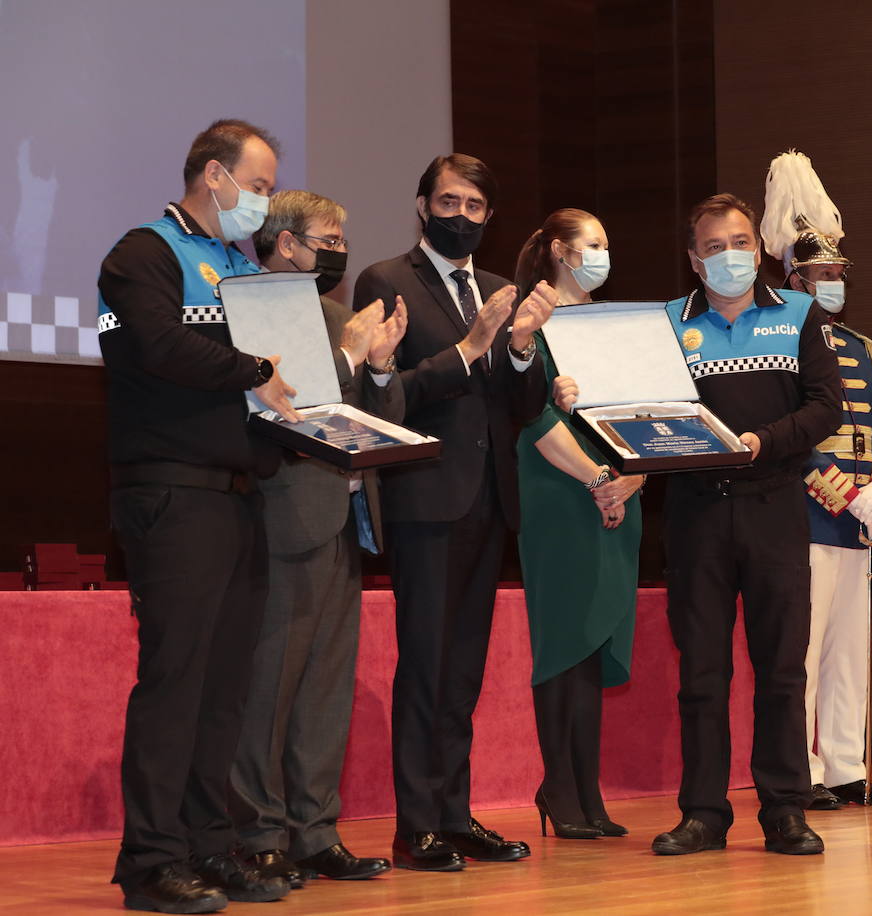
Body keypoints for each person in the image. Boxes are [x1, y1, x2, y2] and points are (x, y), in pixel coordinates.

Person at [97, 119, 298, 912]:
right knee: (175, 683)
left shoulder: (236, 263)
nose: (265, 201)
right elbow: (157, 346)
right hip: (172, 494)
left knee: (223, 689)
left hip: (237, 494)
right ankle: (150, 862)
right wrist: (256, 369)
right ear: (212, 176)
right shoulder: (143, 253)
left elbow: (282, 380)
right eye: (257, 185)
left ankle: (209, 847)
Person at [352, 153, 558, 871]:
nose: (461, 216)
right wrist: (470, 351)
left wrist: (524, 349)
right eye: (448, 202)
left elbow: (523, 410)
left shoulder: (502, 290)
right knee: (427, 664)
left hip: (489, 502)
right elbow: (385, 395)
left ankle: (454, 813)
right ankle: (416, 827)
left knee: (464, 668)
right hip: (425, 499)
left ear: (489, 217)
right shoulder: (386, 280)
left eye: (474, 206)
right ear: (421, 206)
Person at [647, 192, 841, 856]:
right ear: (693, 260)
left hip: (775, 507)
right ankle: (703, 812)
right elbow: (645, 409)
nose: (728, 256)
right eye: (713, 247)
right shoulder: (668, 322)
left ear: (757, 249)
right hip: (695, 515)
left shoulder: (799, 313)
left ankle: (786, 809)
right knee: (702, 672)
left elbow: (825, 407)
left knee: (782, 669)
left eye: (740, 243)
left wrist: (763, 440)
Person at [227, 190, 407, 888]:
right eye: (327, 237)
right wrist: (350, 354)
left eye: (341, 236)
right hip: (284, 517)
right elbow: (289, 409)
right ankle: (259, 832)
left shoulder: (339, 318)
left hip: (347, 519)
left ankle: (315, 831)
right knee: (270, 685)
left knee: (324, 690)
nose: (338, 249)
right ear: (286, 242)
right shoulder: (247, 311)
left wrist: (382, 365)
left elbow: (379, 413)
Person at [759, 151, 872, 809]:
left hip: (861, 517)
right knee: (806, 654)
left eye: (838, 274)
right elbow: (783, 427)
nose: (833, 283)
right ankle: (805, 772)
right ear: (794, 278)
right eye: (821, 274)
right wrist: (836, 489)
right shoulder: (778, 337)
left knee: (852, 652)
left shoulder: (861, 348)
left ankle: (846, 766)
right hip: (810, 512)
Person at [511, 208, 644, 839]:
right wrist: (596, 479)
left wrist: (633, 477)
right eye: (594, 243)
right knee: (564, 643)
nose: (603, 254)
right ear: (561, 251)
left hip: (619, 493)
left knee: (594, 643)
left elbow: (652, 409)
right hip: (560, 497)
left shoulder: (615, 323)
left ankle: (585, 790)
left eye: (608, 242)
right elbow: (531, 420)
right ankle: (558, 784)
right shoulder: (531, 325)